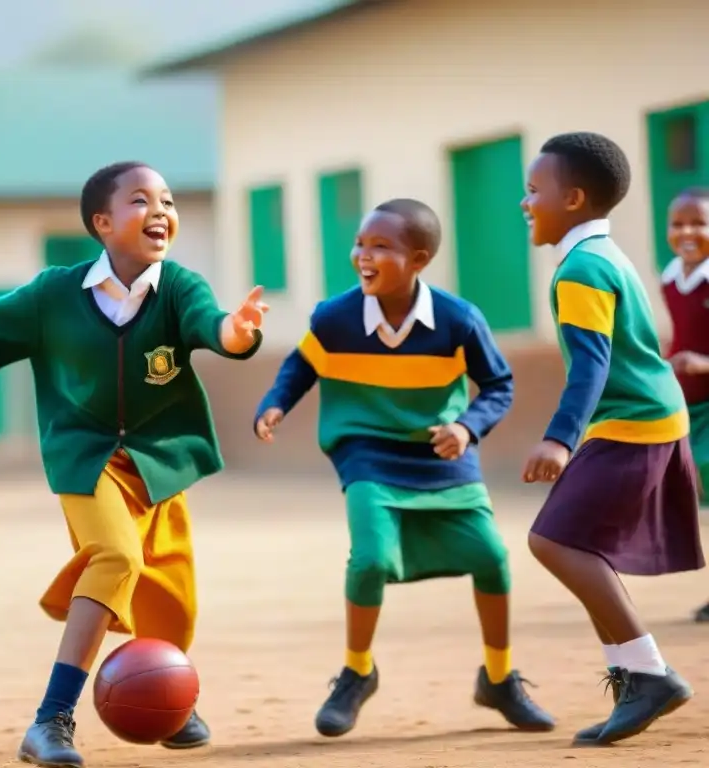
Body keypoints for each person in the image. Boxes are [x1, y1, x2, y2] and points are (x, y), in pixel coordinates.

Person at [0, 162, 268, 768]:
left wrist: (236, 332)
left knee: (172, 603)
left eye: (169, 200)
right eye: (140, 200)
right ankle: (51, 720)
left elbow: (216, 327)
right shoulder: (54, 293)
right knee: (116, 558)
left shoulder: (179, 286)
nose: (161, 210)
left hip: (160, 463)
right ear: (103, 223)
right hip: (86, 457)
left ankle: (170, 699)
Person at [254, 198, 554, 738]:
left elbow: (498, 385)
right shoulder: (335, 317)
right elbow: (302, 363)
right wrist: (277, 401)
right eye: (359, 244)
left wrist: (465, 427)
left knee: (491, 557)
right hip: (365, 449)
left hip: (442, 455)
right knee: (370, 561)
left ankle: (500, 678)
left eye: (379, 247)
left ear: (418, 259)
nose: (362, 256)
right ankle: (357, 672)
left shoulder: (459, 320)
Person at [521, 132, 704, 746]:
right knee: (575, 543)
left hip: (634, 424)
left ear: (572, 198)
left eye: (533, 190)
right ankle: (633, 675)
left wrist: (557, 440)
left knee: (553, 541)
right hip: (646, 418)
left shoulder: (582, 268)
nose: (526, 203)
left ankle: (648, 672)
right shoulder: (604, 253)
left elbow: (591, 366)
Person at [658, 188, 709, 622]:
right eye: (678, 223)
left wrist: (702, 363)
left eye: (699, 223)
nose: (688, 232)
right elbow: (681, 335)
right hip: (688, 408)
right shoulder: (671, 276)